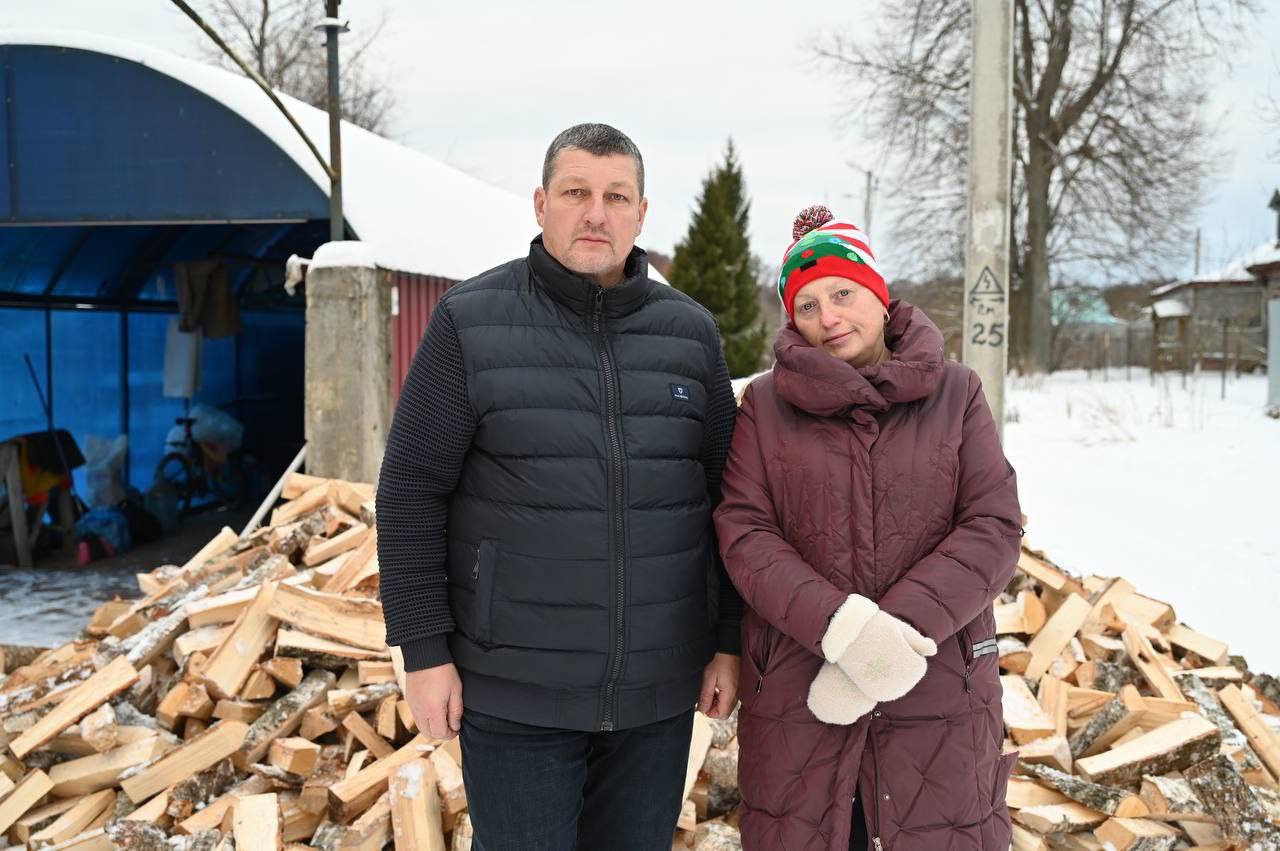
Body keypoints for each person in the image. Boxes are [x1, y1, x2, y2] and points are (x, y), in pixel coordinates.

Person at [376, 123, 742, 851]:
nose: (595, 213)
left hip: (654, 698)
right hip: (516, 695)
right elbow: (410, 491)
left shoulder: (690, 335)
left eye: (616, 196)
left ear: (642, 213)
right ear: (541, 203)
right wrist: (423, 650)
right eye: (577, 192)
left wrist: (728, 641)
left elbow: (730, 503)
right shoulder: (470, 324)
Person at [713, 205, 1023, 850]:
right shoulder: (765, 406)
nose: (828, 318)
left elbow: (992, 524)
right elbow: (745, 533)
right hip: (801, 686)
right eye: (807, 306)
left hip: (936, 686)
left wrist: (897, 633)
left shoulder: (957, 393)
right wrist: (843, 629)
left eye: (844, 294)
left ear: (879, 297)